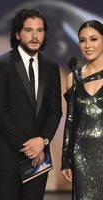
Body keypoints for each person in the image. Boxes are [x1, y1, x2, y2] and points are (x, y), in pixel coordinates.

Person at [0, 8, 62, 200]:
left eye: (40, 30)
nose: (35, 35)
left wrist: (42, 141)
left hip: (39, 160)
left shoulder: (51, 67)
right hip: (8, 158)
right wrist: (29, 147)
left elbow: (55, 111)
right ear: (17, 34)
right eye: (29, 30)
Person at [61, 20, 103, 199]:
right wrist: (65, 159)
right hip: (82, 155)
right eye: (82, 40)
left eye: (93, 39)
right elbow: (70, 121)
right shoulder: (73, 77)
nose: (88, 45)